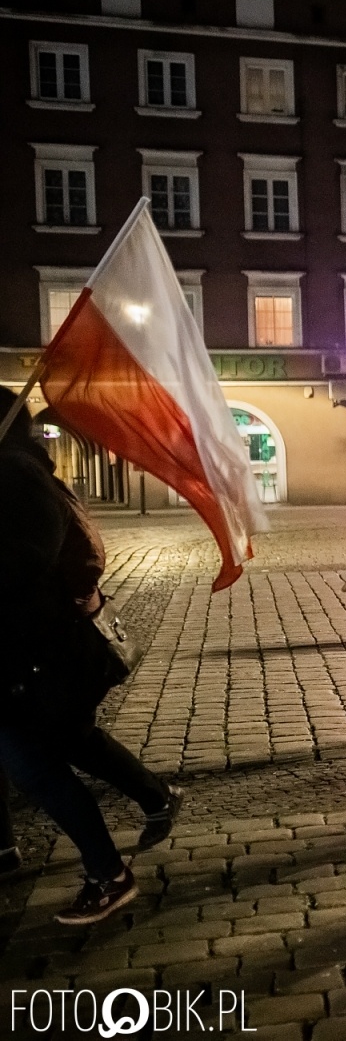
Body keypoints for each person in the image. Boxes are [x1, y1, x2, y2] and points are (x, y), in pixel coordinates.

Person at [0, 387, 182, 925]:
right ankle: (152, 803)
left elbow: (27, 564)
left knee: (34, 767)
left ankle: (108, 873)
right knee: (66, 742)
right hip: (37, 652)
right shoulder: (21, 470)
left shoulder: (13, 475)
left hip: (32, 653)